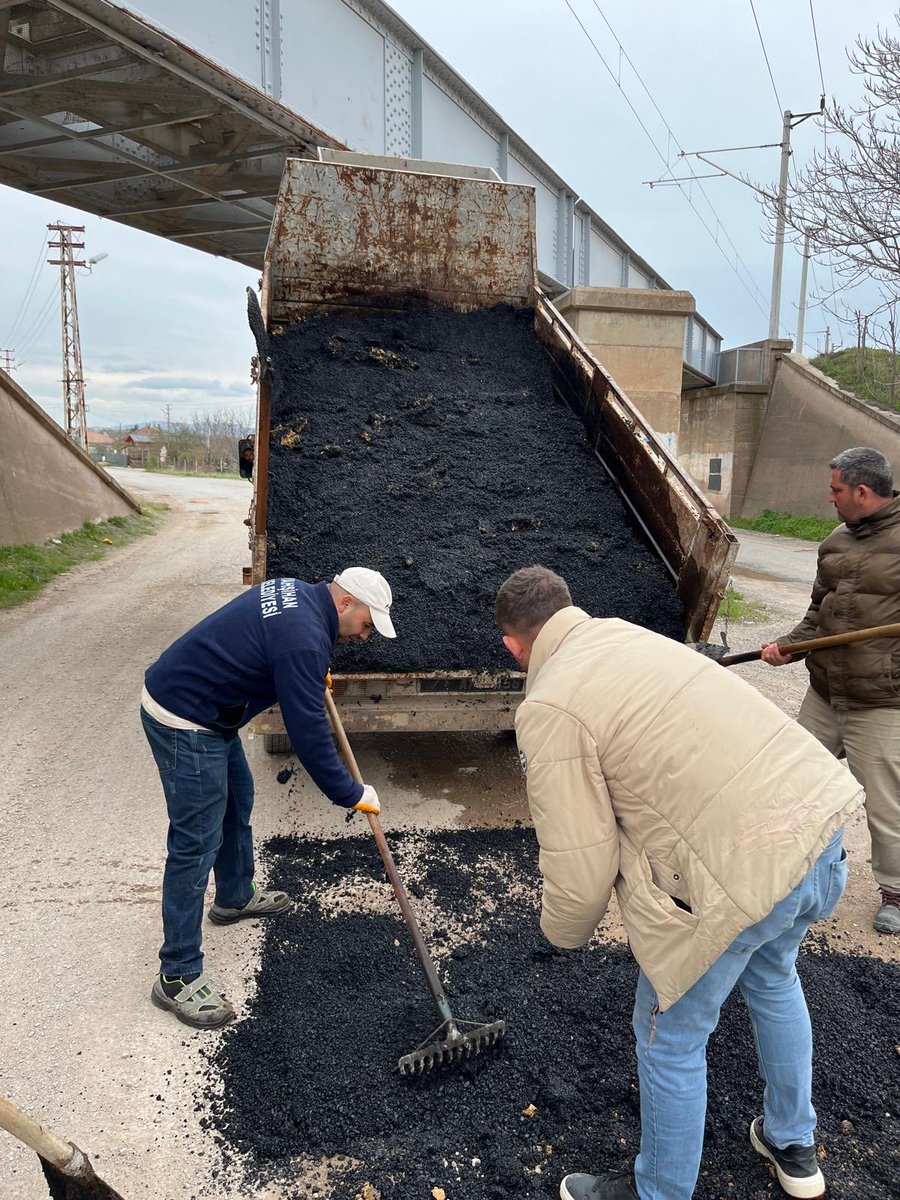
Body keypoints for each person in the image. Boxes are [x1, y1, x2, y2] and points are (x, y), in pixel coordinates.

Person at [495, 565, 862, 1200]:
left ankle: (659, 1190)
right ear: (569, 607)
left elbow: (581, 863)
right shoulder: (627, 634)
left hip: (743, 869)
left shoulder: (550, 705)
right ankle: (793, 1144)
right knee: (773, 975)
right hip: (818, 827)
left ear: (513, 645)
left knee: (669, 1036)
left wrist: (561, 935)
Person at [141, 567, 395, 1029]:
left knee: (237, 800)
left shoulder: (299, 595)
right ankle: (177, 975)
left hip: (211, 710)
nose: (364, 636)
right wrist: (350, 792)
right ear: (346, 603)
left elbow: (271, 641)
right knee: (196, 842)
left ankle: (234, 897)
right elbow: (309, 735)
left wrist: (307, 674)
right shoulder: (304, 641)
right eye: (366, 624)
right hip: (185, 717)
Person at [760, 446, 900, 936]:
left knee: (885, 804)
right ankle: (788, 871)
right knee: (793, 783)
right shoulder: (835, 541)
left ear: (861, 491)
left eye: (835, 490)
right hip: (824, 693)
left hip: (880, 702)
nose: (830, 498)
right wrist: (789, 647)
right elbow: (817, 613)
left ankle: (895, 892)